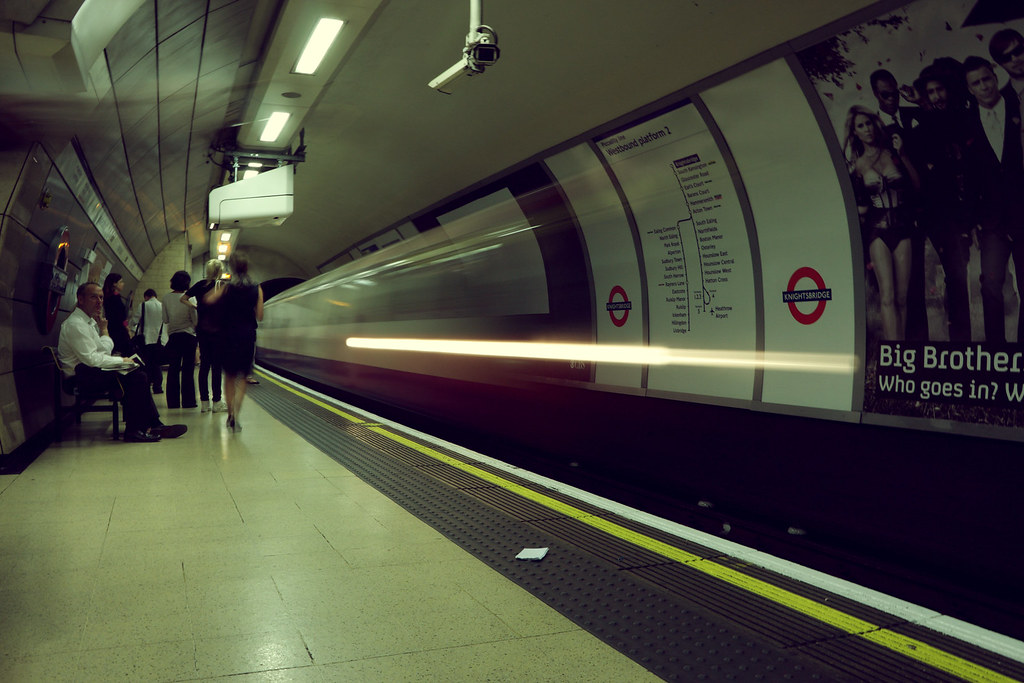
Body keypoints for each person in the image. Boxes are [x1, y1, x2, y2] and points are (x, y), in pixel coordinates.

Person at [57, 282, 186, 442]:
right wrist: (121, 360)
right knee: (136, 377)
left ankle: (152, 424)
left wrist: (104, 331)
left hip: (89, 372)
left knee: (138, 373)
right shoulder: (75, 324)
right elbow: (91, 359)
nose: (99, 301)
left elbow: (103, 350)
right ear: (80, 299)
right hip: (79, 379)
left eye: (101, 297)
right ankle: (136, 430)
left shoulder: (88, 323)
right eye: (93, 297)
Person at [961, 55, 1024, 343]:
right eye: (976, 83)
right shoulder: (967, 123)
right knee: (989, 286)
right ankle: (996, 353)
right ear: (970, 89)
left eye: (987, 78)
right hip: (991, 221)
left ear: (995, 77)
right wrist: (972, 221)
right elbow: (970, 177)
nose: (984, 86)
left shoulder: (1018, 105)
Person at [845, 105, 921, 340]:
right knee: (887, 296)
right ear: (854, 132)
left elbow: (916, 186)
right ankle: (892, 353)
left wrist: (904, 154)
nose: (866, 129)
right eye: (860, 126)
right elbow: (856, 203)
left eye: (868, 123)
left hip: (902, 225)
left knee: (901, 297)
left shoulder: (893, 153)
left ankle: (901, 352)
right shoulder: (857, 166)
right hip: (877, 230)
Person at [912, 63, 972, 341]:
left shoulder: (964, 118)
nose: (936, 96)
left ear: (949, 90)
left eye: (939, 90)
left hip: (962, 210)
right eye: (930, 92)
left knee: (958, 276)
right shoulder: (923, 125)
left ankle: (960, 338)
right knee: (949, 276)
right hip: (936, 212)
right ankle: (951, 339)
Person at [204, 252, 263, 432]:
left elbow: (208, 299)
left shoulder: (227, 288)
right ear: (247, 268)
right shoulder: (256, 288)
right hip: (246, 336)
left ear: (232, 269)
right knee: (243, 377)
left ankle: (229, 412)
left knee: (229, 376)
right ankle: (237, 411)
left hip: (228, 336)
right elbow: (260, 316)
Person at [184, 259, 227, 413]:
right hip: (218, 332)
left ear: (208, 271)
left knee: (204, 366)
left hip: (202, 331)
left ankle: (204, 403)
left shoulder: (200, 284)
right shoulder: (222, 286)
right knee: (217, 367)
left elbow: (183, 298)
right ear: (220, 271)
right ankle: (217, 402)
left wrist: (195, 306)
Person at [161, 270, 198, 409]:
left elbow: (165, 319)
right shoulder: (190, 298)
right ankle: (189, 402)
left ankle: (173, 402)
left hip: (174, 337)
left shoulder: (165, 298)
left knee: (173, 369)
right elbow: (195, 320)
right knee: (188, 370)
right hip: (189, 337)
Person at [135, 288, 165, 393]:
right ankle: (158, 387)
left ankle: (146, 386)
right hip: (159, 339)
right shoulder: (162, 306)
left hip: (145, 339)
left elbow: (135, 320)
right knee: (156, 363)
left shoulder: (143, 305)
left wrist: (127, 327)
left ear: (146, 296)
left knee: (146, 363)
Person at [102, 272, 132, 356]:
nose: (123, 284)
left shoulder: (107, 297)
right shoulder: (116, 298)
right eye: (121, 282)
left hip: (111, 329)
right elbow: (122, 316)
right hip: (119, 331)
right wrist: (127, 329)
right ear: (114, 284)